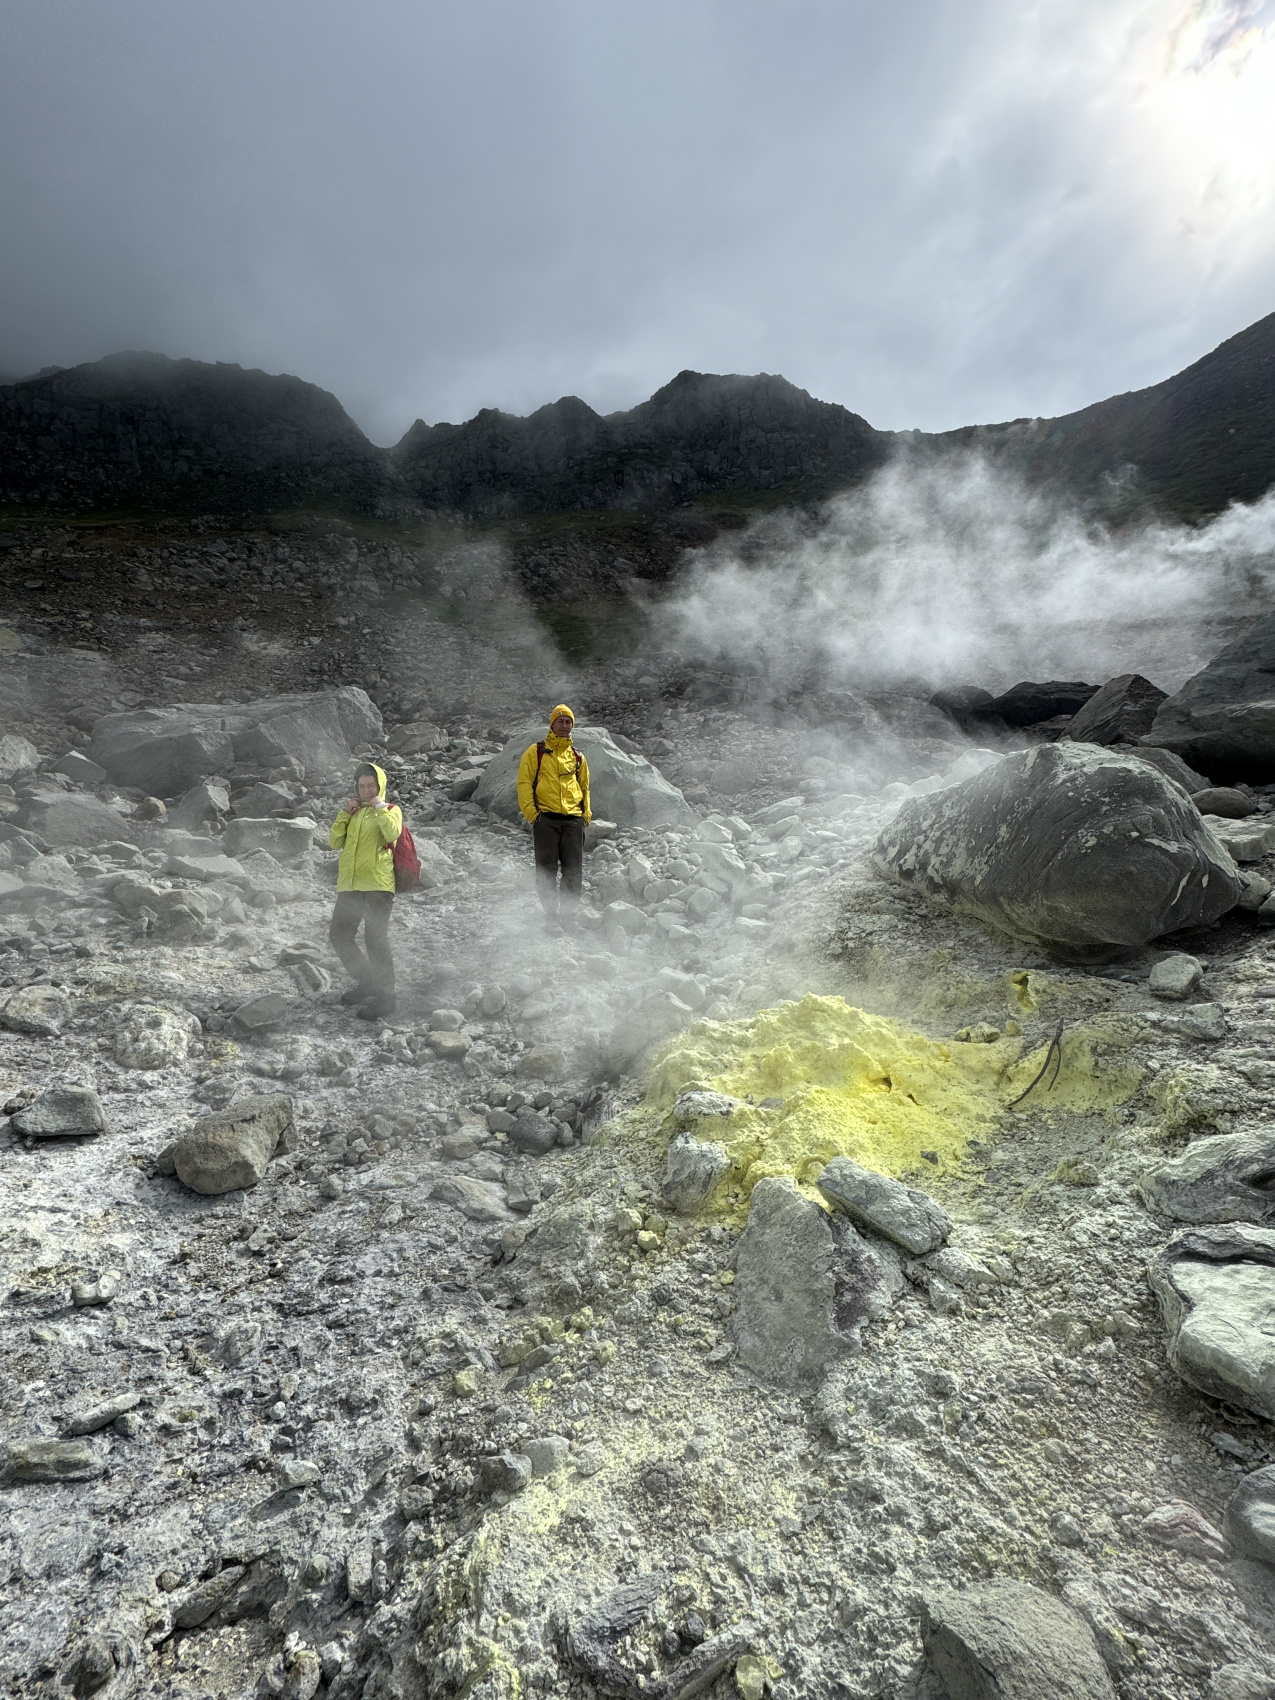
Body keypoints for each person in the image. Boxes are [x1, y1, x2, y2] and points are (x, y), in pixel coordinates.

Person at [328, 762, 402, 1018]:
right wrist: (344, 814)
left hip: (378, 886)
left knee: (375, 939)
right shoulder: (354, 813)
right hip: (351, 886)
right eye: (362, 786)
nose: (367, 790)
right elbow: (334, 841)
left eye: (371, 785)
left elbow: (392, 833)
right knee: (339, 934)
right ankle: (367, 981)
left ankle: (387, 996)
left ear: (380, 786)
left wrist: (380, 808)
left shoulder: (391, 810)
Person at [517, 704, 591, 927]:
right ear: (552, 724)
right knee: (546, 870)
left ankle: (568, 916)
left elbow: (585, 787)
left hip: (573, 820)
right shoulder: (536, 752)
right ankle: (551, 916)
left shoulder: (577, 756)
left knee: (573, 870)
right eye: (560, 721)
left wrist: (585, 815)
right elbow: (524, 783)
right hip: (546, 820)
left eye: (568, 722)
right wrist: (532, 814)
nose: (564, 725)